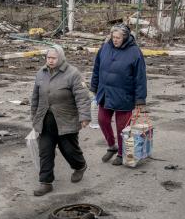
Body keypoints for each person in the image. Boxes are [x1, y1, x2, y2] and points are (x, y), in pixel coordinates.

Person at [30, 45, 91, 196]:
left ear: (61, 58)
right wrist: (34, 117)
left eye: (53, 58)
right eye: (48, 58)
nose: (50, 61)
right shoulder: (41, 73)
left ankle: (80, 166)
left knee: (69, 150)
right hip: (45, 120)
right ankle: (46, 182)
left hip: (66, 119)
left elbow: (82, 97)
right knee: (45, 151)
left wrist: (84, 116)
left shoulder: (72, 73)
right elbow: (35, 97)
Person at [90, 23, 147, 166]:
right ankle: (111, 146)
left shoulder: (134, 52)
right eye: (113, 37)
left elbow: (140, 77)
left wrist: (140, 99)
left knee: (123, 128)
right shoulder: (105, 47)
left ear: (125, 37)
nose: (115, 40)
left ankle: (122, 153)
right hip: (105, 93)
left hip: (124, 95)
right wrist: (94, 86)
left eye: (118, 38)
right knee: (102, 120)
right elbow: (97, 68)